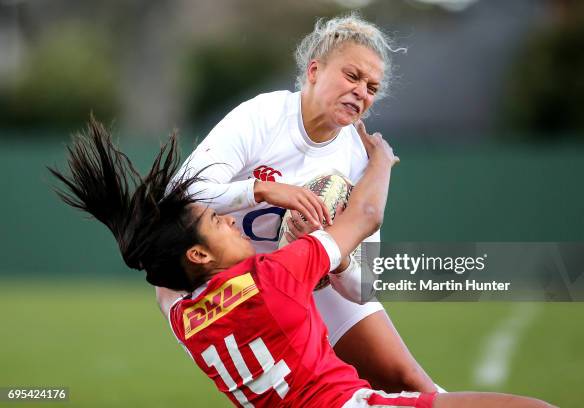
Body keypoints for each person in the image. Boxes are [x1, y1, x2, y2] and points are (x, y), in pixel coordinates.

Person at [50, 118, 553, 408]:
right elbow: (367, 214)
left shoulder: (184, 320)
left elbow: (163, 282)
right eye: (217, 221)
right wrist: (380, 160)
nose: (232, 220)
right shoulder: (274, 277)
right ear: (198, 255)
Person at [157, 13, 436, 393]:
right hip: (230, 283)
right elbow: (180, 195)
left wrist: (332, 253)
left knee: (412, 382)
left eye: (372, 87)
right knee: (298, 394)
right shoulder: (265, 116)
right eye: (352, 76)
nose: (361, 92)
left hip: (304, 276)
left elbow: (364, 285)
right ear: (314, 70)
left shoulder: (356, 157)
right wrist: (265, 190)